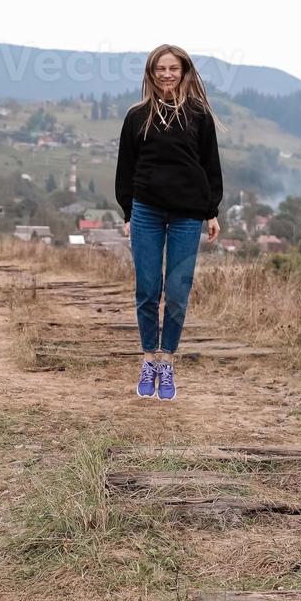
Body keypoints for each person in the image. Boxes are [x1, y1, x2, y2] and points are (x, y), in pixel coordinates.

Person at [114, 43, 222, 401]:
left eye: (173, 68)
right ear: (151, 73)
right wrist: (129, 213)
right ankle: (148, 359)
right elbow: (125, 169)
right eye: (160, 69)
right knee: (147, 289)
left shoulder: (199, 116)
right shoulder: (137, 116)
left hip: (188, 214)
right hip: (146, 210)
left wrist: (212, 211)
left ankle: (168, 361)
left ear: (184, 71)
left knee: (177, 292)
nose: (167, 74)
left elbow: (211, 166)